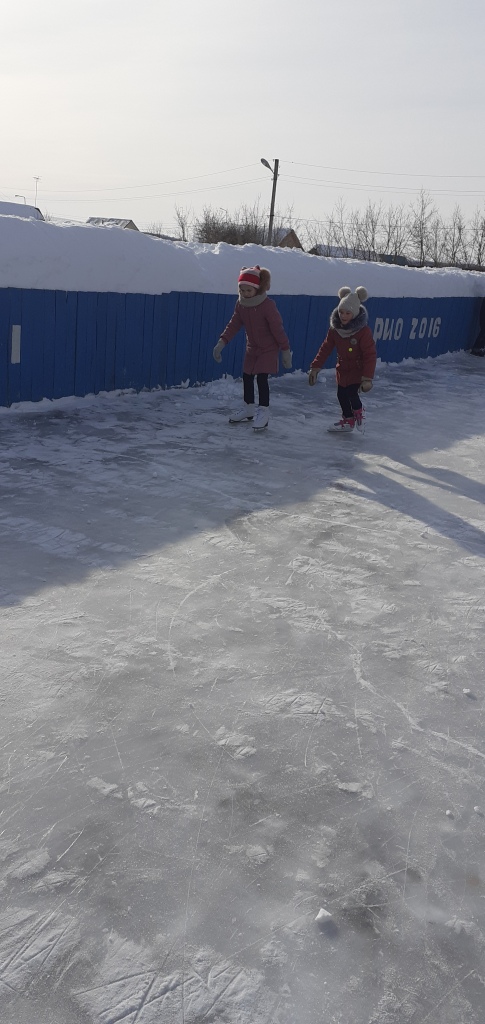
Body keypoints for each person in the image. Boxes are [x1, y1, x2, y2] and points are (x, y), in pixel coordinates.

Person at [213, 265, 292, 431]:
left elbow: (277, 328)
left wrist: (285, 350)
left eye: (248, 290)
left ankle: (263, 412)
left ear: (257, 288)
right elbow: (234, 325)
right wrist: (222, 342)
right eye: (242, 290)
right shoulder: (241, 305)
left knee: (262, 378)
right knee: (247, 377)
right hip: (252, 348)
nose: (245, 294)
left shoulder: (267, 305)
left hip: (268, 348)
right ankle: (248, 408)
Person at [308, 286, 376, 432]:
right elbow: (326, 348)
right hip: (342, 369)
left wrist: (367, 378)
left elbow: (370, 355)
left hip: (357, 369)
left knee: (352, 393)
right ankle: (348, 420)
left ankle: (359, 412)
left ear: (355, 313)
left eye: (347, 313)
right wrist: (315, 367)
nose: (343, 316)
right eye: (341, 312)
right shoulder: (335, 330)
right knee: (341, 395)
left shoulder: (363, 332)